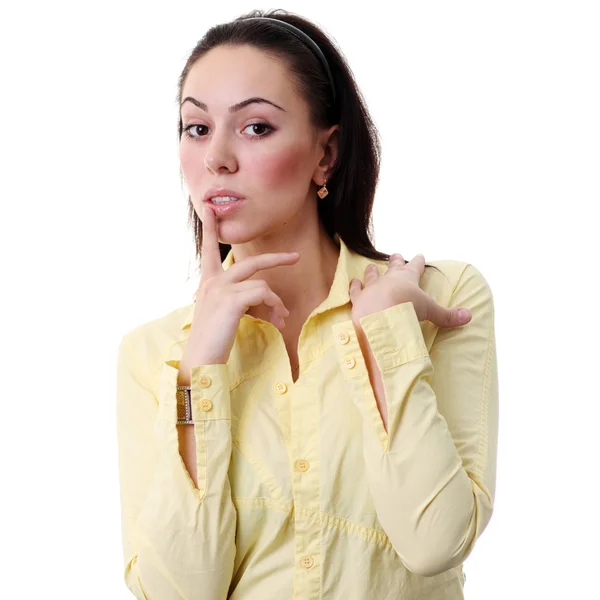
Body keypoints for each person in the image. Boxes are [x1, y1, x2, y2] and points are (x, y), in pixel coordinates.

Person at [115, 9, 499, 599]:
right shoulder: (155, 354)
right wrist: (200, 371)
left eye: (256, 127)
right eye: (196, 128)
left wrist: (385, 335)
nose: (216, 157)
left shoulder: (439, 299)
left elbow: (433, 544)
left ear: (326, 154)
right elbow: (177, 593)